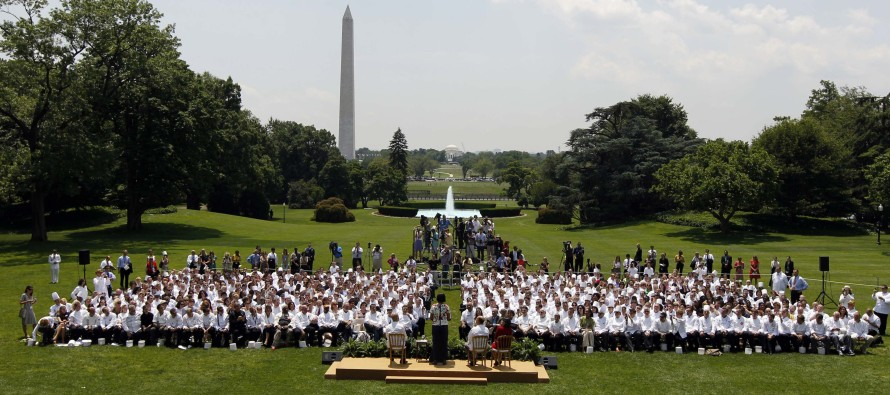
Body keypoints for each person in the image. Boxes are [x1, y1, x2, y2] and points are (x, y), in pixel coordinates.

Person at [429, 293, 451, 365]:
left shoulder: (433, 306)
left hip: (435, 326)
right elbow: (449, 318)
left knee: (435, 342)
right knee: (444, 342)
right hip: (444, 326)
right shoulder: (446, 307)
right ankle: (444, 359)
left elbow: (431, 317)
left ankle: (435, 359)